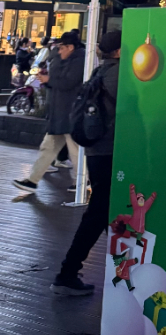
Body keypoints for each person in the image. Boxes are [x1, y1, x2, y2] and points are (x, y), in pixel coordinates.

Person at [51, 29, 122, 296]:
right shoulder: (118, 73)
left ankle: (124, 268)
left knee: (103, 210)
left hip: (95, 151)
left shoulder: (99, 72)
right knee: (99, 212)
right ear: (118, 50)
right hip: (108, 151)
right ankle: (67, 272)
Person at [13, 32, 85, 191]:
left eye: (62, 48)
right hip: (59, 112)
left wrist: (49, 80)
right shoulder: (62, 59)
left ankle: (81, 182)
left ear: (70, 47)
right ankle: (32, 180)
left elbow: (69, 82)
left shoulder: (80, 61)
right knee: (49, 147)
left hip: (70, 112)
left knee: (74, 150)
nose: (59, 51)